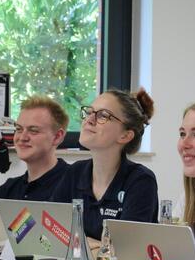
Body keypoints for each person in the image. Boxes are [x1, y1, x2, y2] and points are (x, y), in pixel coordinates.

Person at [52, 88, 158, 239]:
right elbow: (51, 233)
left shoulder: (141, 180)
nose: (89, 120)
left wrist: (76, 242)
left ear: (125, 135)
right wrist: (93, 245)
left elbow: (124, 248)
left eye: (103, 115)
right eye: (89, 112)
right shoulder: (75, 172)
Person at [0, 96, 69, 209]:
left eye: (33, 130)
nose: (22, 137)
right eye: (19, 129)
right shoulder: (10, 189)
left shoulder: (73, 185)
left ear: (57, 137)